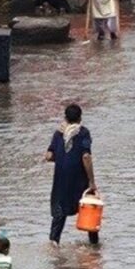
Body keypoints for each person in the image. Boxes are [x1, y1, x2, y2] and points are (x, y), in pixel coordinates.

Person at [45, 104, 98, 245]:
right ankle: (94, 245)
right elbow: (86, 156)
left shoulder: (59, 133)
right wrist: (92, 181)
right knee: (89, 206)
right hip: (79, 179)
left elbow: (49, 156)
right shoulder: (83, 133)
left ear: (65, 118)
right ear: (80, 118)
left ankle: (53, 244)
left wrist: (62, 157)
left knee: (59, 212)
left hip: (61, 179)